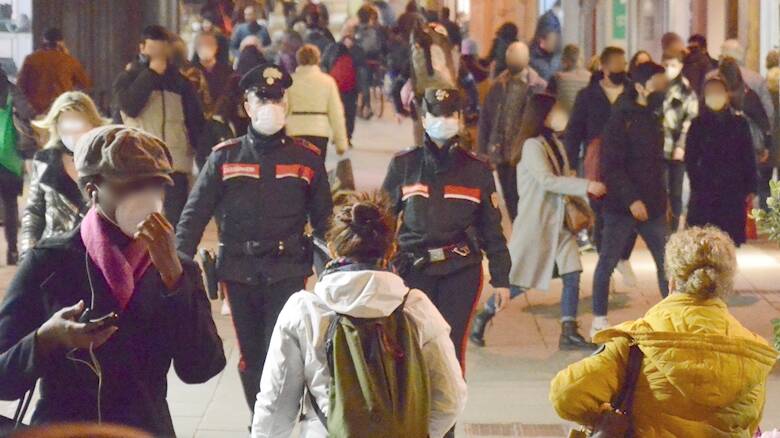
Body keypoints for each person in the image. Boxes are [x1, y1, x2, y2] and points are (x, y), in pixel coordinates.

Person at [0, 125, 226, 436]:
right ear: (93, 190)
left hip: (144, 429)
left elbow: (202, 368)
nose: (147, 198)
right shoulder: (51, 261)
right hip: (64, 429)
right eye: (132, 186)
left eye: (156, 186)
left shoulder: (176, 269)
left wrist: (174, 278)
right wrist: (46, 338)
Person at [176, 63, 333, 415]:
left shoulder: (306, 158)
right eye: (262, 99)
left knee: (284, 349)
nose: (270, 106)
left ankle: (282, 417)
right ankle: (259, 421)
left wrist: (333, 271)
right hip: (238, 270)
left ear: (287, 103)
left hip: (288, 268)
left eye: (277, 98)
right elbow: (195, 212)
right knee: (252, 354)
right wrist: (177, 262)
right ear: (246, 105)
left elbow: (324, 220)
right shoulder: (225, 157)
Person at [251, 193, 467, 438]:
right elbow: (451, 397)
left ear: (332, 248)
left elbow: (276, 403)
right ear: (392, 249)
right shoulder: (416, 308)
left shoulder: (304, 309)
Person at [551, 227, 778, 437]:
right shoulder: (752, 351)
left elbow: (565, 395)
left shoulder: (636, 345)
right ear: (725, 284)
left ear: (671, 282)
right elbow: (750, 422)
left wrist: (602, 417)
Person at [382, 88, 512, 374]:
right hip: (412, 270)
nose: (444, 120)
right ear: (424, 118)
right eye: (436, 114)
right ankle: (413, 416)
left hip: (460, 271)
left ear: (460, 119)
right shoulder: (405, 165)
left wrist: (502, 278)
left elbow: (492, 227)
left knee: (450, 352)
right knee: (411, 349)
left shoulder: (477, 170)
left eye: (450, 114)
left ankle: (448, 418)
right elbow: (384, 222)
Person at [471, 94, 606, 350]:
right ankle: (484, 316)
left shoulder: (552, 141)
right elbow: (548, 181)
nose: (560, 115)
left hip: (559, 225)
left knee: (572, 272)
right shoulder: (532, 146)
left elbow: (562, 177)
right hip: (537, 226)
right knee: (520, 282)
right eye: (555, 110)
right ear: (542, 115)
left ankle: (569, 331)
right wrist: (587, 186)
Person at [590, 62, 671, 336]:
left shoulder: (655, 115)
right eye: (658, 83)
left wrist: (662, 199)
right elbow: (612, 167)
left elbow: (657, 164)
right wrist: (632, 200)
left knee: (667, 262)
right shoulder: (620, 118)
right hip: (622, 207)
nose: (663, 88)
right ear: (640, 86)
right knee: (607, 261)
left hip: (654, 205)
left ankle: (672, 315)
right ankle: (599, 319)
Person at [113, 25, 206, 229]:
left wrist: (204, 158)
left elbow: (196, 123)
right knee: (139, 225)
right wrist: (151, 74)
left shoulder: (181, 83)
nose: (157, 55)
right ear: (142, 48)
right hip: (138, 165)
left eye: (161, 50)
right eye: (152, 49)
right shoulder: (128, 79)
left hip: (176, 164)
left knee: (175, 224)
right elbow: (130, 107)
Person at [564, 46, 638, 285]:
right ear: (604, 67)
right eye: (617, 64)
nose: (621, 68)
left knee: (633, 211)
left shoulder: (633, 92)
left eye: (623, 64)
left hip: (629, 162)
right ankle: (606, 263)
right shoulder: (588, 96)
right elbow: (575, 130)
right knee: (601, 213)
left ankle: (622, 257)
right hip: (598, 163)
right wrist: (571, 163)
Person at [22, 92, 108, 257]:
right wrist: (27, 255)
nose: (73, 133)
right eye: (66, 125)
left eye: (79, 124)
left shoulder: (105, 163)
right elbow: (34, 213)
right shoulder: (44, 161)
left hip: (95, 259)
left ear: (92, 125)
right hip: (51, 256)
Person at [478, 41, 547, 220]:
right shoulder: (498, 86)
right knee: (510, 199)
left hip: (526, 154)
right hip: (502, 154)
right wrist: (483, 152)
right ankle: (518, 233)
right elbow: (486, 119)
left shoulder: (538, 87)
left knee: (527, 199)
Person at [685, 77, 757, 245]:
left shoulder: (739, 123)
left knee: (729, 240)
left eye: (719, 92)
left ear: (727, 94)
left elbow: (748, 156)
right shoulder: (697, 125)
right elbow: (690, 159)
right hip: (705, 190)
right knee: (704, 240)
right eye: (711, 92)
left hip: (733, 189)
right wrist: (697, 182)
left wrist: (751, 186)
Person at [720, 57, 773, 210]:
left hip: (726, 149)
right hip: (750, 145)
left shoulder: (719, 94)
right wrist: (766, 145)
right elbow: (765, 117)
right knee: (748, 187)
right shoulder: (748, 93)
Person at [287, 44, 349, 159]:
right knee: (316, 171)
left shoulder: (290, 82)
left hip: (294, 132)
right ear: (318, 59)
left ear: (298, 60)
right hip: (319, 132)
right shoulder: (328, 82)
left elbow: (283, 109)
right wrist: (341, 143)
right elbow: (336, 113)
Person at [0, 68, 35, 265]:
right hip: (10, 156)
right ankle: (12, 251)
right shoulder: (12, 91)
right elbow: (28, 112)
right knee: (11, 204)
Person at [661, 54, 698, 231]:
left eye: (673, 64)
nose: (669, 68)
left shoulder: (686, 90)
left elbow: (690, 120)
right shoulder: (658, 86)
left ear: (681, 65)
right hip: (656, 148)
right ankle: (661, 229)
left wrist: (682, 145)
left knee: (675, 192)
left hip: (676, 149)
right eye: (666, 63)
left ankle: (673, 229)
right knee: (659, 191)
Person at [16, 27, 92, 114]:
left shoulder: (31, 59)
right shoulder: (69, 60)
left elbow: (20, 85)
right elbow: (85, 84)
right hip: (61, 109)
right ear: (62, 42)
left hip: (36, 111)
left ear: (43, 41)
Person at [322, 32, 359, 142]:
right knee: (349, 113)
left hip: (335, 88)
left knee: (336, 113)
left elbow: (325, 67)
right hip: (350, 90)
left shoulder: (330, 53)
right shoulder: (353, 55)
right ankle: (347, 136)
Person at [194, 31, 235, 116]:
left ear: (216, 47)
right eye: (201, 45)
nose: (205, 47)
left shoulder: (228, 71)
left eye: (209, 44)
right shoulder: (191, 72)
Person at [547, 44, 590, 112]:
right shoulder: (591, 78)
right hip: (585, 120)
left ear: (564, 59)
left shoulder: (557, 78)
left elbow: (547, 102)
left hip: (564, 119)